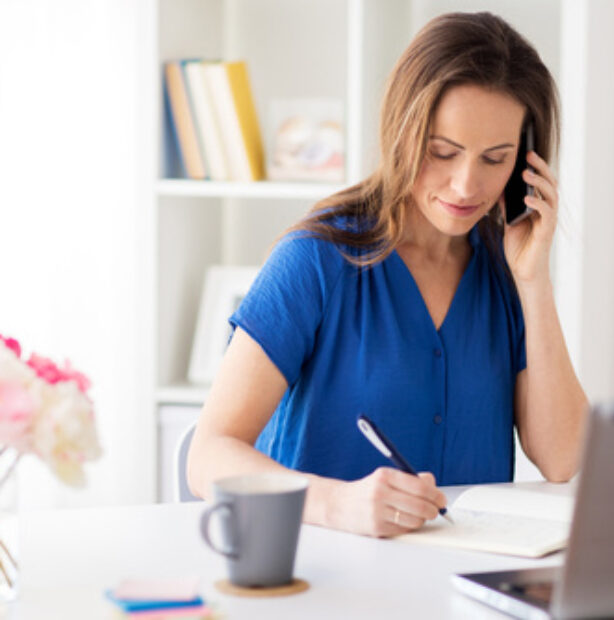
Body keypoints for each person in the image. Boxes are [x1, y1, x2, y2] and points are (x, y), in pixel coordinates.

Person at [187, 11, 588, 538]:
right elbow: (208, 456)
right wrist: (336, 504)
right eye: (443, 152)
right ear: (403, 132)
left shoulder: (507, 273)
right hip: (326, 578)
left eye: (496, 158)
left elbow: (562, 459)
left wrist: (534, 282)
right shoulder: (315, 260)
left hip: (460, 586)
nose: (466, 185)